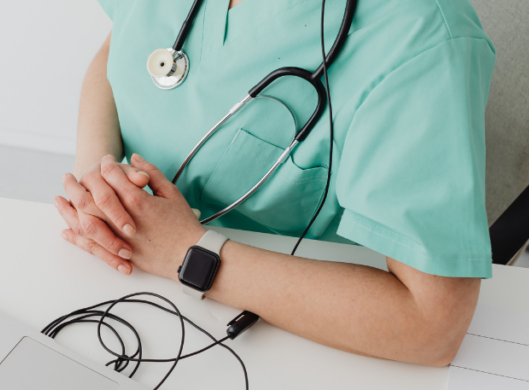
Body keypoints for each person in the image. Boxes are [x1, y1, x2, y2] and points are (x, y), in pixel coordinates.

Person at [54, 0, 496, 367]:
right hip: (115, 284)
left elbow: (433, 326)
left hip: (279, 338)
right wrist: (100, 175)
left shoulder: (421, 36)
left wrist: (188, 254)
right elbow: (120, 47)